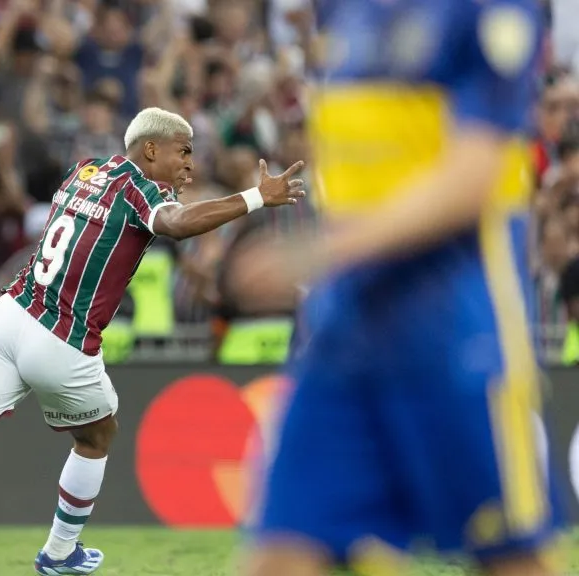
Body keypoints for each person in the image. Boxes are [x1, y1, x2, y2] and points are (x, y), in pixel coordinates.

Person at [0, 106, 305, 575]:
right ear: (151, 148)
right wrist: (254, 197)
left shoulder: (83, 171)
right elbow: (177, 223)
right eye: (183, 151)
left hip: (9, 314)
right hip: (61, 336)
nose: (190, 163)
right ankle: (59, 553)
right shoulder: (137, 189)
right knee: (97, 436)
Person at [231, 1, 563, 575]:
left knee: (511, 558)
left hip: (454, 331)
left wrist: (320, 253)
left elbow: (474, 176)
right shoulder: (343, 12)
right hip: (343, 333)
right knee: (279, 554)